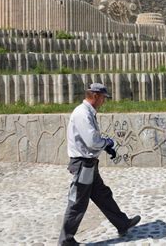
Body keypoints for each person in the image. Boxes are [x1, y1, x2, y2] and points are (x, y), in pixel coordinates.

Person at [58, 83, 141, 246]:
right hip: (83, 164)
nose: (104, 101)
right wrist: (107, 143)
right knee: (77, 203)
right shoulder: (83, 113)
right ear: (95, 96)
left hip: (89, 165)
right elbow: (92, 141)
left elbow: (91, 140)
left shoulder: (88, 112)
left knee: (103, 195)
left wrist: (105, 146)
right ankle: (65, 241)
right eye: (103, 97)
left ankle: (122, 223)